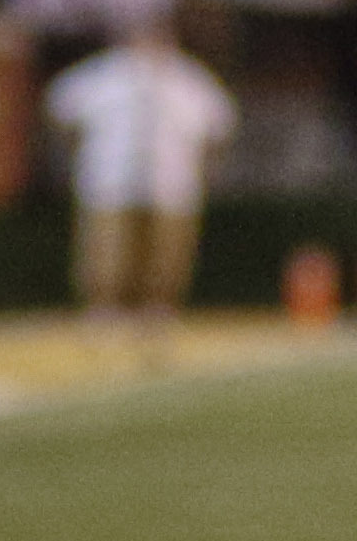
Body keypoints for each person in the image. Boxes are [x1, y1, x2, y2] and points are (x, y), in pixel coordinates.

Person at [42, 18, 233, 330]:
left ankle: (157, 309)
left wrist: (203, 169)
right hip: (110, 178)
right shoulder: (104, 74)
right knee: (107, 249)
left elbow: (218, 126)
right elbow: (61, 109)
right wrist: (79, 154)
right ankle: (104, 309)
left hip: (171, 180)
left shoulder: (187, 78)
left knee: (166, 251)